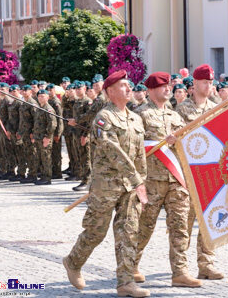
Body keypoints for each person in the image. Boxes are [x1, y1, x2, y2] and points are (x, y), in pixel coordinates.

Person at [63, 70, 150, 297]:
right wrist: (135, 177)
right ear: (110, 92)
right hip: (106, 185)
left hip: (130, 186)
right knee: (96, 231)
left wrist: (142, 182)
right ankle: (73, 262)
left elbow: (140, 154)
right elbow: (112, 149)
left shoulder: (135, 118)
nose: (129, 89)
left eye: (129, 85)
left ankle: (126, 283)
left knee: (128, 232)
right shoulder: (103, 118)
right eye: (123, 86)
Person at [134, 72, 202, 288]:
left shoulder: (174, 116)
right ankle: (131, 265)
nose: (168, 89)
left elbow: (188, 144)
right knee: (144, 226)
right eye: (163, 86)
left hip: (176, 180)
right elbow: (134, 146)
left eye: (169, 86)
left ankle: (180, 272)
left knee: (180, 226)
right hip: (151, 181)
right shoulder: (140, 115)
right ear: (151, 90)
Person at [175, 64, 224, 280]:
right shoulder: (182, 110)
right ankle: (181, 266)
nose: (209, 85)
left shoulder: (216, 107)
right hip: (188, 173)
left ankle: (207, 263)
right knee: (184, 221)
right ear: (194, 84)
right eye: (205, 82)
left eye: (211, 82)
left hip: (209, 172)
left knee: (209, 219)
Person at [32, 89, 57, 185]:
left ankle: (47, 177)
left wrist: (47, 137)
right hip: (38, 137)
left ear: (47, 97)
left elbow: (52, 124)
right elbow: (37, 124)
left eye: (43, 96)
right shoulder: (39, 108)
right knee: (41, 157)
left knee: (46, 158)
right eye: (39, 96)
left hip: (45, 138)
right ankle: (43, 175)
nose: (40, 98)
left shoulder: (48, 109)